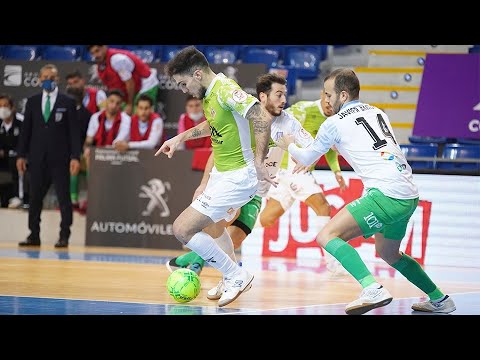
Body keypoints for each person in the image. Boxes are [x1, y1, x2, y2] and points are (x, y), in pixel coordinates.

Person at [277, 68, 456, 315]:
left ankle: (372, 288)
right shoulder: (378, 112)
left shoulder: (334, 122)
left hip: (386, 195)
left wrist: (287, 143)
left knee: (327, 235)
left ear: (342, 95)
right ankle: (440, 299)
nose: (325, 100)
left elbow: (307, 156)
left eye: (329, 95)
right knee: (388, 253)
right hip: (408, 194)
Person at [164, 73, 322, 299]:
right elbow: (217, 144)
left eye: (284, 95)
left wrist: (305, 156)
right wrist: (203, 183)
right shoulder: (244, 113)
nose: (283, 100)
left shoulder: (289, 123)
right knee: (214, 228)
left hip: (256, 191)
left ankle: (222, 273)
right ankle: (228, 275)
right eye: (278, 95)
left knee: (229, 235)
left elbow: (312, 148)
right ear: (262, 96)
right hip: (234, 183)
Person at [155, 46, 274, 307]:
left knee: (182, 229)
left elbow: (260, 116)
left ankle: (236, 275)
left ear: (197, 74)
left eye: (184, 83)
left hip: (239, 176)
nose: (184, 90)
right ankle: (230, 276)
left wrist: (259, 160)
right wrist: (180, 136)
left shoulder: (224, 89)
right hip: (223, 173)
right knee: (213, 225)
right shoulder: (211, 95)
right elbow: (213, 124)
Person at [259, 90, 348, 274]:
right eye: (329, 99)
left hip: (287, 173)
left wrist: (337, 171)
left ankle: (227, 230)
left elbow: (329, 149)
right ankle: (333, 265)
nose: (331, 105)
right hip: (293, 167)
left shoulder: (332, 120)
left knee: (266, 220)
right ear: (323, 95)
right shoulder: (304, 108)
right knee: (323, 207)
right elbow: (281, 123)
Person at [16, 64, 81, 248]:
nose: (47, 81)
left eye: (51, 78)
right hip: (37, 159)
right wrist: (21, 155)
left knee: (64, 199)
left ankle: (64, 236)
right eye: (44, 77)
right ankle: (33, 235)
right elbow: (25, 131)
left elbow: (74, 134)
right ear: (39, 79)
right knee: (35, 198)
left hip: (60, 160)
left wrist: (75, 157)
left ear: (57, 79)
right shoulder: (33, 102)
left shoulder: (67, 102)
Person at [87, 45, 159, 116]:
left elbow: (130, 83)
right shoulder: (100, 65)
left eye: (97, 51)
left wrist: (130, 104)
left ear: (104, 47)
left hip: (146, 85)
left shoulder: (117, 60)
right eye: (93, 53)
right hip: (133, 87)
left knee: (139, 116)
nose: (96, 55)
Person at [83, 89, 131, 171]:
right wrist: (86, 149)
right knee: (88, 155)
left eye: (117, 103)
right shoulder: (95, 117)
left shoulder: (126, 119)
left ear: (121, 105)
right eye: (111, 101)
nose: (114, 106)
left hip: (118, 155)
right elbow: (88, 141)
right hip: (99, 154)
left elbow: (118, 142)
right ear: (106, 101)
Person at [65, 86, 93, 212]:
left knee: (76, 166)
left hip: (81, 153)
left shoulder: (87, 115)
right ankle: (69, 201)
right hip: (64, 152)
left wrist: (78, 153)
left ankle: (78, 201)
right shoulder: (62, 113)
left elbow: (87, 137)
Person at [0, 93, 26, 209]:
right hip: (3, 156)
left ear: (12, 108)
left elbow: (26, 141)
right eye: (0, 106)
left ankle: (19, 196)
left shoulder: (21, 121)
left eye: (5, 106)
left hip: (18, 155)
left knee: (17, 162)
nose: (2, 109)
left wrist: (19, 153)